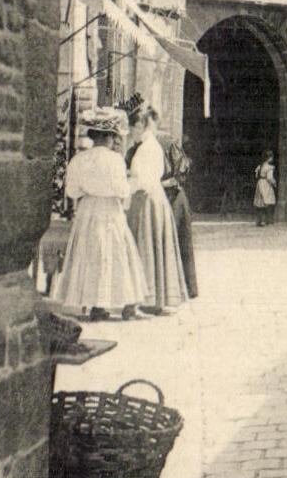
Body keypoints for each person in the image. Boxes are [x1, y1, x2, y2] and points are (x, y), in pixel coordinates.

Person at [50, 108, 148, 321]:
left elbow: (72, 191)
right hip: (109, 212)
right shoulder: (114, 160)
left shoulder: (79, 160)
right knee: (117, 254)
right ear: (109, 137)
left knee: (91, 256)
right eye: (114, 136)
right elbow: (122, 190)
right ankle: (127, 306)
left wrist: (90, 188)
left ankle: (97, 305)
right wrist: (135, 183)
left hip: (88, 211)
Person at [127, 106, 188, 313]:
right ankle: (153, 297)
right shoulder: (148, 145)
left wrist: (126, 183)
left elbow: (143, 179)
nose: (131, 132)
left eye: (133, 127)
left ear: (141, 125)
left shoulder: (148, 147)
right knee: (152, 246)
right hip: (152, 198)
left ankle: (150, 298)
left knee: (147, 245)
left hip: (147, 199)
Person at [160, 133, 197, 298]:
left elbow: (179, 175)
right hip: (165, 196)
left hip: (173, 197)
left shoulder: (166, 143)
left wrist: (158, 184)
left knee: (173, 240)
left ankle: (180, 289)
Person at [253, 149, 277, 226]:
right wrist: (274, 183)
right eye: (271, 157)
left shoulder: (260, 166)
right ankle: (268, 220)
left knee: (260, 202)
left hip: (260, 183)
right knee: (268, 201)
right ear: (269, 158)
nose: (272, 158)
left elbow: (256, 175)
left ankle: (259, 220)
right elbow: (269, 178)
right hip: (266, 184)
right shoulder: (269, 167)